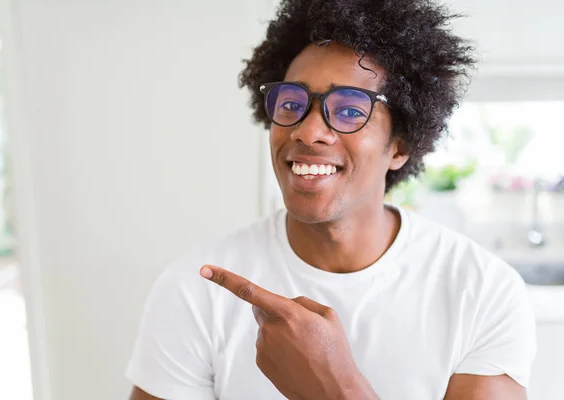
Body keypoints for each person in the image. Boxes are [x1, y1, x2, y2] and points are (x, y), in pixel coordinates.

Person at [127, 0, 536, 398]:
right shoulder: (195, 289)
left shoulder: (483, 292)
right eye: (291, 104)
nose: (307, 132)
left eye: (349, 110)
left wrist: (334, 389)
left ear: (401, 145)